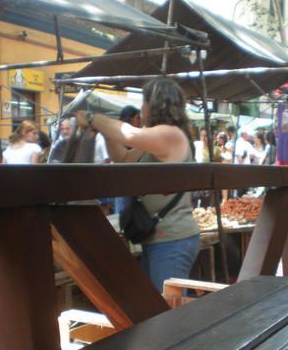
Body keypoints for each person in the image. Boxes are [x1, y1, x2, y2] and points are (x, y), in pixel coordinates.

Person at [76, 78, 200, 293]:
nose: (142, 108)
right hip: (160, 238)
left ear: (155, 104)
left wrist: (92, 117)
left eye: (144, 102)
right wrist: (106, 132)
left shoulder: (170, 134)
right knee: (163, 310)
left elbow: (130, 135)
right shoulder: (155, 139)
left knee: (170, 315)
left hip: (172, 238)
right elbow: (123, 159)